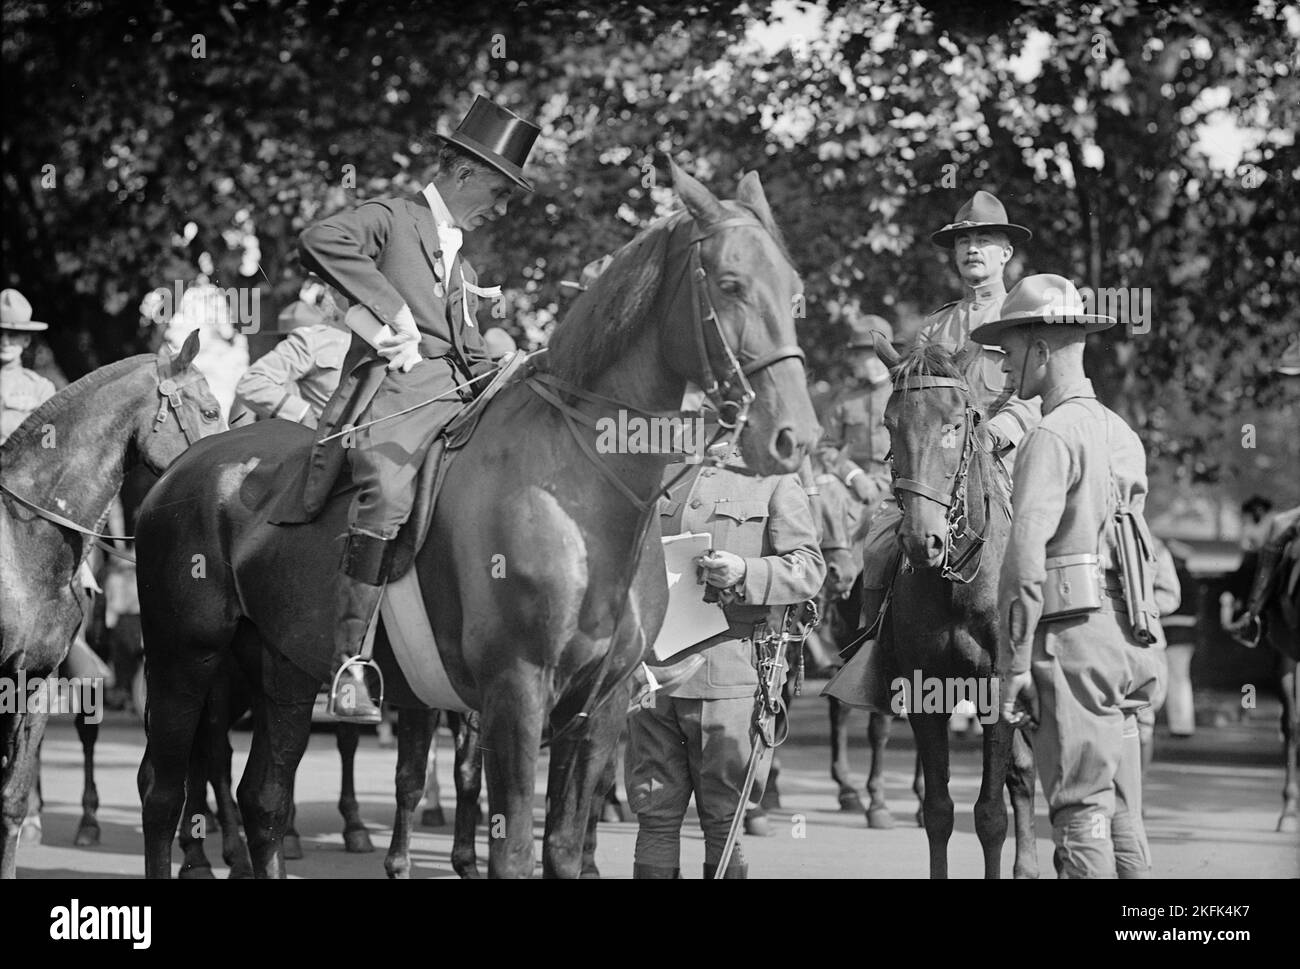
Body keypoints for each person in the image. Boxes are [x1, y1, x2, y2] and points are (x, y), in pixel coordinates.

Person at [269, 96, 540, 721]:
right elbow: (319, 239)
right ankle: (348, 665)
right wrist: (389, 309)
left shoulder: (461, 256)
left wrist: (516, 371)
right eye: (501, 192)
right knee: (388, 493)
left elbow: (467, 351)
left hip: (455, 391)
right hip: (396, 393)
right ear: (466, 172)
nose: (501, 208)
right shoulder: (392, 216)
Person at [828, 191, 1041, 710]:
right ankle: (874, 655)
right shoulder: (934, 327)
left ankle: (1048, 661)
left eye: (984, 240)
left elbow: (1036, 392)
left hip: (1004, 466)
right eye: (963, 241)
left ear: (1005, 253)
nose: (972, 250)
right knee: (878, 544)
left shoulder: (1024, 313)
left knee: (1047, 549)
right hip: (939, 474)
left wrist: (1000, 432)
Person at [985, 274, 1164, 879]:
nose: (1006, 369)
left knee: (1079, 811)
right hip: (1133, 642)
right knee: (1123, 813)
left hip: (1076, 648)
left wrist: (1011, 670)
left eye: (1009, 352)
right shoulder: (1122, 433)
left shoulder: (1050, 436)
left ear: (1040, 348)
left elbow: (1025, 566)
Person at [626, 437, 825, 878]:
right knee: (654, 809)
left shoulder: (772, 478)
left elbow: (809, 568)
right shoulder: (656, 469)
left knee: (724, 815)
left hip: (731, 671)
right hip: (653, 672)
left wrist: (745, 571)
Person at [815, 313, 893, 513]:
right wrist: (854, 474)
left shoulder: (905, 394)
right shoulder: (844, 400)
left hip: (898, 489)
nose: (852, 361)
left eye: (858, 355)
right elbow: (825, 447)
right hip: (853, 490)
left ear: (878, 354)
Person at [233, 294, 350, 427]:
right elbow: (240, 423)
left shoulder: (328, 349)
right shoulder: (267, 377)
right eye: (285, 339)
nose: (290, 345)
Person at [0, 288, 57, 444]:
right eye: (0, 334)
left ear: (26, 340)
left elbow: (49, 445)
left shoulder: (41, 389)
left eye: (12, 335)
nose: (4, 342)